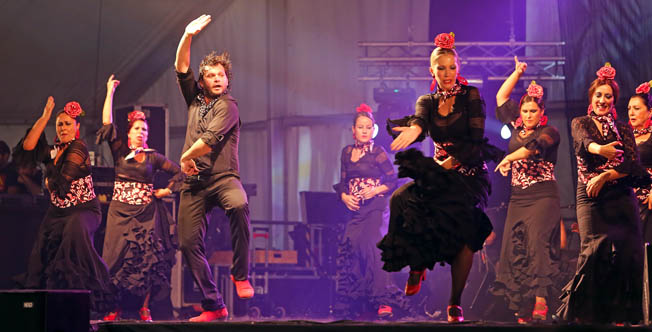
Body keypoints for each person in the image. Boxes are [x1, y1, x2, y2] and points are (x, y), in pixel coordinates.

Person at [377, 32, 503, 323]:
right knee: (401, 199)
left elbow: (475, 141)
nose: (447, 73)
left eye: (451, 67)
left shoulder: (471, 96)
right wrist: (414, 131)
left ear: (458, 69)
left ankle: (455, 303)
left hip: (469, 176)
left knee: (464, 233)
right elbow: (420, 121)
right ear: (431, 70)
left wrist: (450, 164)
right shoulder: (427, 100)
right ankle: (416, 265)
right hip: (440, 177)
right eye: (441, 68)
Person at [174, 14, 253, 322]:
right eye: (211, 75)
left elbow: (207, 142)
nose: (218, 79)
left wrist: (185, 157)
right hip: (194, 184)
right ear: (202, 81)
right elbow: (181, 67)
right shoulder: (195, 100)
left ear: (227, 79)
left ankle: (240, 273)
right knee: (187, 242)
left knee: (239, 204)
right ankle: (214, 304)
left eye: (222, 75)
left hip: (223, 178)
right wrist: (187, 35)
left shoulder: (228, 106)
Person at [557, 63, 648, 324]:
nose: (603, 100)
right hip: (591, 197)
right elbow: (585, 143)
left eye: (608, 96)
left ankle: (622, 315)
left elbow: (632, 165)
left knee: (628, 252)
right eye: (599, 95)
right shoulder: (580, 122)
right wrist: (602, 150)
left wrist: (606, 174)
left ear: (613, 100)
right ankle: (587, 315)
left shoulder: (624, 128)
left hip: (621, 195)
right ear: (591, 97)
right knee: (593, 251)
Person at [97, 75, 184, 321]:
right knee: (115, 259)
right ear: (129, 132)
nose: (141, 133)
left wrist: (166, 191)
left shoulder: (152, 157)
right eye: (137, 129)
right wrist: (109, 92)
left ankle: (145, 308)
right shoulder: (120, 151)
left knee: (147, 261)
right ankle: (114, 308)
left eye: (144, 130)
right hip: (120, 213)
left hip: (146, 214)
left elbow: (180, 173)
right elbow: (107, 122)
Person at [17, 96, 113, 312]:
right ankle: (44, 307)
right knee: (40, 250)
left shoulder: (78, 148)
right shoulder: (53, 150)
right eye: (59, 124)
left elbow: (63, 180)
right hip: (57, 211)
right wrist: (45, 117)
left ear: (77, 126)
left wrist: (50, 181)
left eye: (68, 123)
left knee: (73, 241)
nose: (63, 128)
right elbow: (29, 145)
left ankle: (83, 303)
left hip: (83, 210)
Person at [490, 57, 561, 323]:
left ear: (541, 112)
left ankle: (541, 299)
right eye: (525, 111)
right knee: (514, 247)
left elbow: (533, 149)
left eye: (533, 111)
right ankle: (521, 302)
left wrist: (508, 159)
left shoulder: (550, 131)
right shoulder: (515, 128)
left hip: (543, 196)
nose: (529, 115)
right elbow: (500, 96)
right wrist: (518, 72)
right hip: (518, 198)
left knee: (536, 243)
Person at [333, 103, 410, 319]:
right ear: (353, 130)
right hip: (355, 210)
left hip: (375, 207)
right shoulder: (346, 153)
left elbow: (393, 180)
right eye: (361, 127)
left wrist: (374, 189)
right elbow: (342, 182)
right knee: (351, 247)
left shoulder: (378, 153)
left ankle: (384, 301)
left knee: (375, 247)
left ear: (373, 130)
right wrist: (344, 197)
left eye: (368, 127)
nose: (365, 130)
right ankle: (357, 300)